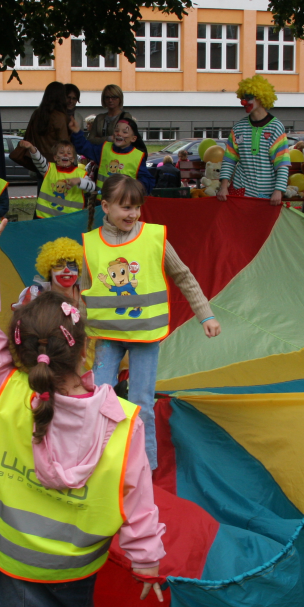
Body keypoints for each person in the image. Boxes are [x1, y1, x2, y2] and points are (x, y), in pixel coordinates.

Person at [0, 218, 166, 607]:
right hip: (75, 560)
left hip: (12, 553)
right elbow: (137, 498)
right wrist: (147, 559)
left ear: (19, 350)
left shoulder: (5, 392)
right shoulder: (123, 422)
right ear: (86, 347)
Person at [82, 174, 221, 469]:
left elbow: (183, 275)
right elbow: (84, 292)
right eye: (125, 207)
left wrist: (205, 314)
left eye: (136, 207)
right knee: (99, 397)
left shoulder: (154, 237)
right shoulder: (91, 244)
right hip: (107, 336)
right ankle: (101, 460)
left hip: (145, 336)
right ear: (105, 206)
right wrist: (75, 332)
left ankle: (145, 466)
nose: (132, 214)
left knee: (141, 403)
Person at [217, 75, 289, 205]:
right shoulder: (238, 128)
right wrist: (223, 187)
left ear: (261, 98)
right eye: (242, 98)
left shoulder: (276, 127)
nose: (244, 102)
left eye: (249, 97)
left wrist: (278, 190)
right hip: (240, 190)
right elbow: (229, 159)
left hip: (266, 193)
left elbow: (282, 162)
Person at [66, 116, 156, 194]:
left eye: (124, 132)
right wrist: (77, 132)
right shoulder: (104, 148)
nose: (119, 133)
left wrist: (137, 188)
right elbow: (83, 147)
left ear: (133, 138)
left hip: (122, 204)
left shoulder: (138, 156)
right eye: (116, 130)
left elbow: (147, 181)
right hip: (101, 202)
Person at [14, 82, 73, 175]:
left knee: (41, 184)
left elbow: (28, 135)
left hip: (38, 160)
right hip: (55, 164)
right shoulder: (59, 116)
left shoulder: (37, 113)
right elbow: (64, 143)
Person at [13, 236, 84, 308]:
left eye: (72, 265)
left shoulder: (85, 293)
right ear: (49, 271)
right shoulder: (34, 294)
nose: (67, 270)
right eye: (59, 265)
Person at [31, 141, 92, 219]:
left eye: (69, 153)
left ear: (73, 159)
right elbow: (39, 160)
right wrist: (32, 148)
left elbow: (92, 188)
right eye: (61, 152)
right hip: (46, 218)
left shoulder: (80, 174)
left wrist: (80, 181)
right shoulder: (48, 169)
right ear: (55, 157)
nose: (65, 155)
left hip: (71, 219)